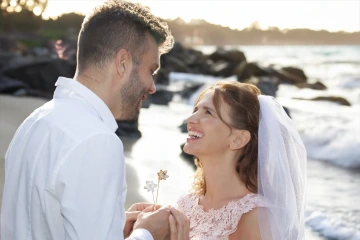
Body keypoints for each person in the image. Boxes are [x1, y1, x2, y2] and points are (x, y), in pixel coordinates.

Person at [1, 0, 189, 239]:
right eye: (151, 71)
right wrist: (147, 233)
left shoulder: (36, 121)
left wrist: (114, 223)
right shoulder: (97, 141)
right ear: (123, 63)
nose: (152, 86)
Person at [176, 81, 307, 239]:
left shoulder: (257, 217)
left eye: (208, 113)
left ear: (238, 139)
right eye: (196, 110)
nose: (190, 119)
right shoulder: (188, 203)